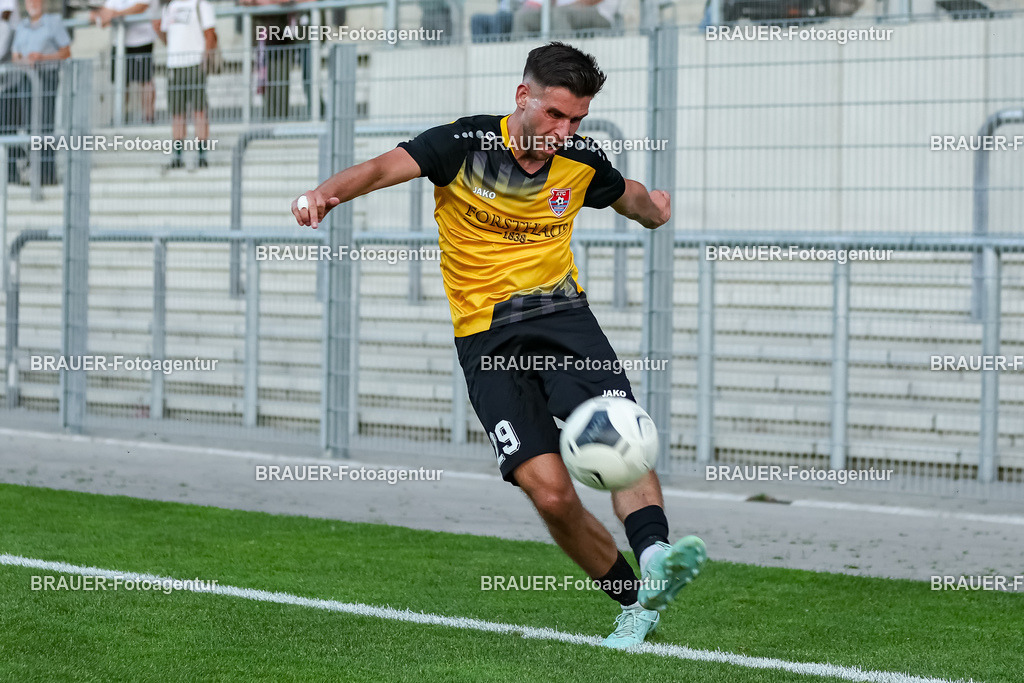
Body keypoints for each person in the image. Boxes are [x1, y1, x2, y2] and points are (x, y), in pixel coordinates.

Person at [292, 42, 706, 650]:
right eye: (556, 115)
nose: (565, 132)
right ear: (523, 97)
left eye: (578, 120)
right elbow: (382, 168)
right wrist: (325, 194)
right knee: (550, 491)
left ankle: (658, 555)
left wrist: (656, 212)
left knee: (623, 432)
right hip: (486, 337)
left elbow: (632, 197)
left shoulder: (581, 161)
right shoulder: (462, 146)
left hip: (564, 319)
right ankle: (635, 602)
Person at [9, 0, 70, 185]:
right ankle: (33, 171)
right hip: (26, 79)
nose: (32, 4)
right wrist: (23, 59)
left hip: (47, 78)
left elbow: (66, 52)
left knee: (45, 126)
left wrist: (42, 57)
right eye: (29, 1)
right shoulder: (22, 26)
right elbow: (15, 55)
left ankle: (47, 174)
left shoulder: (54, 22)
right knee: (30, 126)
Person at [154, 0, 216, 169]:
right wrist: (158, 30)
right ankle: (178, 156)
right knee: (177, 113)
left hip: (195, 63)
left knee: (199, 110)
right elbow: (167, 37)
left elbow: (211, 34)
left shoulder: (201, 4)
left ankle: (202, 155)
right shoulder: (169, 7)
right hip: (174, 65)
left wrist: (205, 60)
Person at [91, 0, 157, 123]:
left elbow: (142, 7)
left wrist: (117, 14)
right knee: (120, 81)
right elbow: (102, 14)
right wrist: (99, 16)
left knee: (146, 80)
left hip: (142, 42)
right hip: (120, 43)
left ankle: (148, 116)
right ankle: (120, 116)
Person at [513, 0, 618, 36]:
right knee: (522, 17)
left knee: (559, 13)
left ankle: (563, 55)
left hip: (598, 13)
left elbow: (589, 2)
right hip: (558, 11)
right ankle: (516, 53)